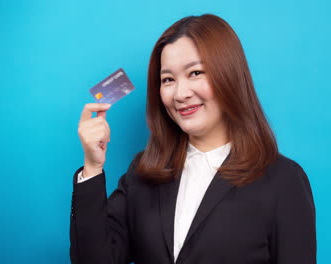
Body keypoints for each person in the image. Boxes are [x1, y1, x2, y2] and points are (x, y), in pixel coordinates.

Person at [70, 14, 316, 264]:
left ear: (228, 75)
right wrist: (92, 167)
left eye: (195, 73)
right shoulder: (143, 173)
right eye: (168, 80)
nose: (181, 94)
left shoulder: (284, 180)